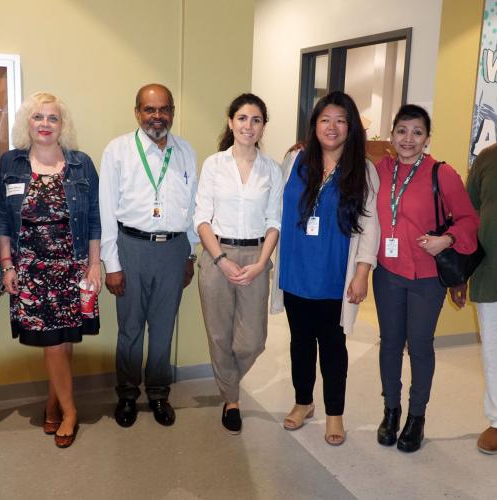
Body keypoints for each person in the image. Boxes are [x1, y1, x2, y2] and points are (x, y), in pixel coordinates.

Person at [271, 91, 380, 446]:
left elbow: (370, 225)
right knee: (300, 343)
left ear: (351, 128)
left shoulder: (363, 170)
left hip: (335, 276)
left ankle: (335, 413)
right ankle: (304, 402)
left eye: (340, 121)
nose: (332, 127)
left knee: (333, 347)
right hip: (296, 270)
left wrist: (362, 271)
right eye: (325, 120)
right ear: (314, 125)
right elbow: (277, 209)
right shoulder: (295, 160)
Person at [0, 92, 101, 448]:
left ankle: (55, 402)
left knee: (65, 339)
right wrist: (7, 264)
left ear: (62, 125)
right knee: (54, 344)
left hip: (71, 266)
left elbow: (95, 219)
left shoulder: (80, 164)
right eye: (38, 117)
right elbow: (2, 220)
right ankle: (69, 410)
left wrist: (94, 265)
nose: (45, 124)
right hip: (31, 269)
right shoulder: (11, 163)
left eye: (52, 118)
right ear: (27, 122)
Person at [374, 104, 479, 453]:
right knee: (389, 343)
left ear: (427, 138)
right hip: (387, 272)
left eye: (417, 132)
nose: (408, 138)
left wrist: (446, 240)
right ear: (391, 135)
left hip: (426, 276)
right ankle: (391, 410)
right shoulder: (380, 170)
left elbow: (467, 219)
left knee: (419, 346)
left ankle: (416, 416)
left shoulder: (441, 173)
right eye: (402, 130)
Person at [99, 83, 197, 428]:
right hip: (131, 248)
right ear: (137, 112)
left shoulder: (185, 152)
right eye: (149, 109)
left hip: (173, 250)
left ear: (172, 111)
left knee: (163, 328)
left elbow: (192, 208)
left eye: (164, 109)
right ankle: (127, 395)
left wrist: (190, 256)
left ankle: (158, 393)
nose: (158, 116)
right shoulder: (118, 151)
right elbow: (106, 210)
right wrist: (112, 265)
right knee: (129, 329)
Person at [194, 93, 283, 434]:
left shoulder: (271, 169)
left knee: (252, 341)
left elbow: (275, 220)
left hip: (256, 257)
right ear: (231, 122)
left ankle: (227, 381)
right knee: (219, 335)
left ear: (263, 127)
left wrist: (262, 263)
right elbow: (201, 218)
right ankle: (232, 400)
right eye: (242, 118)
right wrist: (219, 259)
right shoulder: (214, 164)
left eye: (256, 119)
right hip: (218, 255)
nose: (249, 125)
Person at [450, 143, 497, 454]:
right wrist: (459, 274)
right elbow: (468, 217)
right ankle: (496, 420)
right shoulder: (487, 158)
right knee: (493, 350)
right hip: (490, 273)